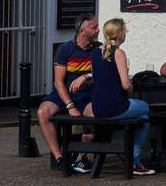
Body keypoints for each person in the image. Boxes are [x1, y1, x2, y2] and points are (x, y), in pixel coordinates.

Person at [83, 19, 154, 176]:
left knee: (143, 118)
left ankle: (135, 162)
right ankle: (134, 161)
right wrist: (131, 85)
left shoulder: (95, 52)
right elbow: (125, 85)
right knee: (146, 109)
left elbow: (96, 78)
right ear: (120, 34)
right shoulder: (119, 53)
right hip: (115, 106)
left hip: (98, 106)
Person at [36, 14, 99, 173]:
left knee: (93, 113)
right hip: (64, 94)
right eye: (94, 27)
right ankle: (59, 158)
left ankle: (80, 157)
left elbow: (102, 73)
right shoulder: (65, 49)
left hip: (88, 94)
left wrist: (87, 76)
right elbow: (58, 82)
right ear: (82, 31)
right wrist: (70, 106)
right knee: (43, 111)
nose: (98, 30)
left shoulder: (99, 49)